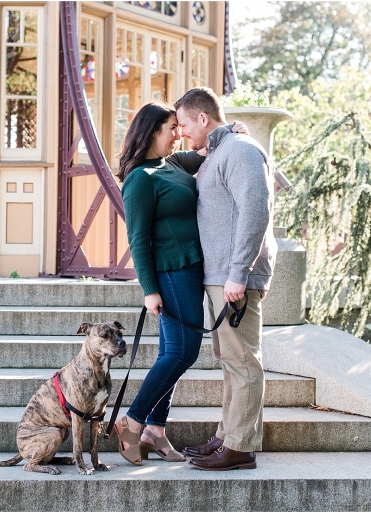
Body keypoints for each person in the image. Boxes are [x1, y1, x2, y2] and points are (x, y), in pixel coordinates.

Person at [112, 101, 245, 465]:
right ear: (152, 131)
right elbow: (137, 238)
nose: (178, 134)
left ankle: (155, 430)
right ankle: (132, 422)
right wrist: (149, 290)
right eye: (172, 128)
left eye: (178, 126)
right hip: (171, 271)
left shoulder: (170, 163)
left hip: (191, 268)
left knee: (170, 352)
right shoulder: (141, 178)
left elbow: (206, 150)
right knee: (183, 352)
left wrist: (229, 130)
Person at [174, 86, 277, 471]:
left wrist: (238, 273)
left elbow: (255, 211)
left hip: (235, 277)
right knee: (231, 360)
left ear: (202, 118)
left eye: (184, 124)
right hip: (221, 274)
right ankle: (228, 436)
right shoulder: (220, 150)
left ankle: (240, 447)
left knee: (244, 361)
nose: (181, 132)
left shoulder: (241, 151)